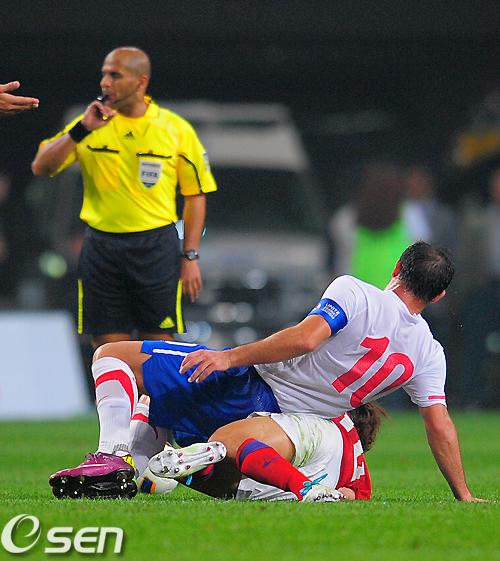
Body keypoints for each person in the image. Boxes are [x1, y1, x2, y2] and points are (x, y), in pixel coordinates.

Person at [48, 241, 484, 502]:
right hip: (286, 429)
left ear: (397, 268)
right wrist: (463, 494)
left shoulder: (356, 292)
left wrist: (229, 357)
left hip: (252, 386)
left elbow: (306, 339)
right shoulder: (429, 353)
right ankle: (139, 469)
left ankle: (113, 456)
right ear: (438, 296)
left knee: (113, 356)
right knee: (175, 425)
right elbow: (440, 426)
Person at [31, 47, 217, 348]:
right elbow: (42, 167)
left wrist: (190, 255)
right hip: (101, 246)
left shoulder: (174, 129)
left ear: (141, 82)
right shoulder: (89, 124)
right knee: (108, 350)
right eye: (104, 74)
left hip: (155, 246)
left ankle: (149, 384)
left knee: (158, 348)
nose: (105, 82)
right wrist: (81, 130)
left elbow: (195, 196)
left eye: (115, 75)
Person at [140, 399, 384, 502]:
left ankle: (198, 460)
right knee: (230, 488)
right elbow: (349, 496)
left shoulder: (333, 410)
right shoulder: (359, 472)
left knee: (235, 445)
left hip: (319, 430)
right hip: (323, 477)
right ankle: (306, 488)